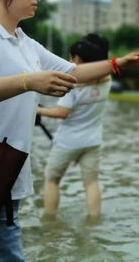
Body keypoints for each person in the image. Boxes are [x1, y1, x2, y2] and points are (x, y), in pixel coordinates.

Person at [0, 0, 139, 261]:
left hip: (7, 171)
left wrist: (118, 64)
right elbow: (30, 81)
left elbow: (73, 74)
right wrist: (27, 81)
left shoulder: (25, 42)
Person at [37, 34, 112, 219]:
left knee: (52, 179)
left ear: (77, 60)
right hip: (93, 141)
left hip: (68, 142)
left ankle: (50, 221)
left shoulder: (72, 85)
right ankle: (94, 220)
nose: (69, 62)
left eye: (71, 58)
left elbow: (62, 112)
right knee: (91, 182)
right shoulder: (107, 80)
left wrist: (38, 111)